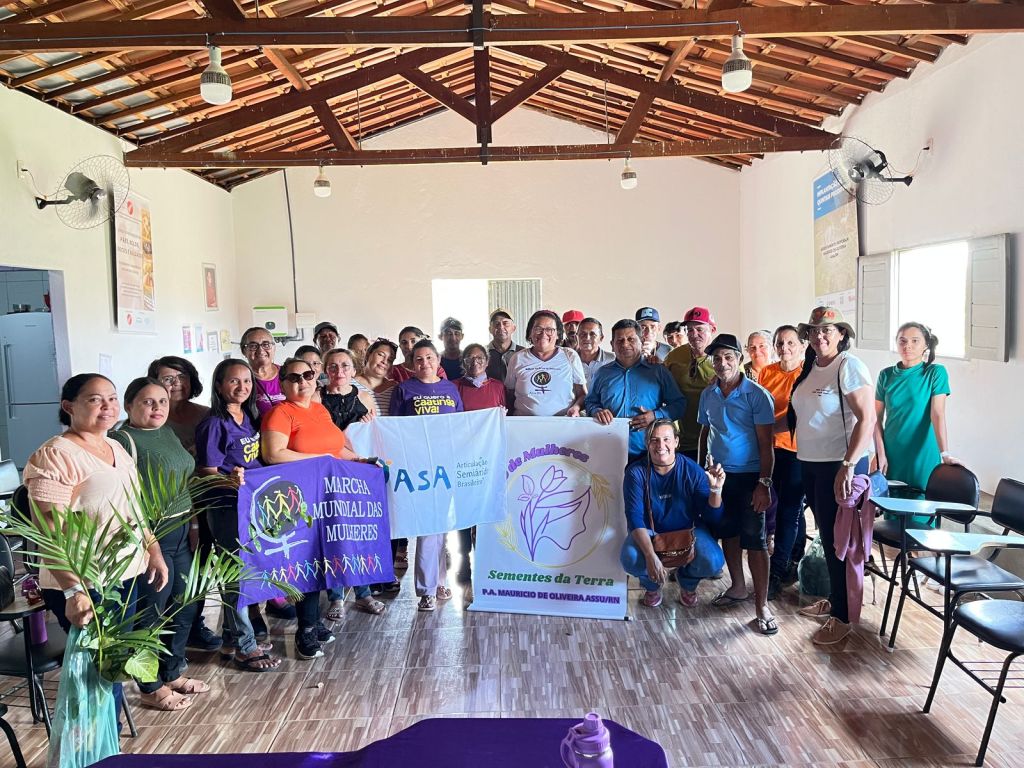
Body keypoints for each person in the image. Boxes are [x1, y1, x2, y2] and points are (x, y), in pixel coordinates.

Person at [26, 374, 169, 720]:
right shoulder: (55, 455)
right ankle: (96, 743)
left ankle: (109, 741)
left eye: (112, 398)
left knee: (113, 668)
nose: (107, 406)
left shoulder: (116, 448)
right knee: (96, 674)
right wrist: (73, 590)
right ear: (68, 406)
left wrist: (153, 550)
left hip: (124, 574)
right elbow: (48, 532)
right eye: (94, 399)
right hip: (86, 582)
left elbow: (133, 507)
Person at [110, 377, 208, 709]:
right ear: (129, 405)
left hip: (179, 529)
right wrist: (149, 544)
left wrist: (193, 523)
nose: (157, 407)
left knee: (185, 604)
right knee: (151, 611)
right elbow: (123, 497)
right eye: (148, 402)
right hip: (150, 536)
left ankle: (172, 671)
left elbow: (183, 481)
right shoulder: (122, 440)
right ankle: (149, 685)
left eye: (162, 401)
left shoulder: (166, 433)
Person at [261, 358, 367, 658]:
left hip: (328, 496)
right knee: (306, 562)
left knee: (323, 559)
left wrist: (358, 460)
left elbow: (336, 448)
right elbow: (273, 454)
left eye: (307, 375)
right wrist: (320, 461)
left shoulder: (319, 410)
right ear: (282, 383)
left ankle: (315, 622)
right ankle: (305, 631)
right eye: (294, 377)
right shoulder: (280, 412)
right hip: (300, 498)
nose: (302, 382)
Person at [788, 306, 875, 646]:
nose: (819, 335)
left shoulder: (848, 366)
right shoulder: (812, 366)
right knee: (828, 538)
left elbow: (867, 419)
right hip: (812, 463)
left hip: (839, 466)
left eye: (827, 330)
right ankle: (837, 600)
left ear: (841, 334)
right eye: (813, 330)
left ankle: (844, 616)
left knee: (842, 542)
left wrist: (849, 464)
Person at [194, 359, 282, 672]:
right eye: (233, 381)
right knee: (237, 575)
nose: (242, 387)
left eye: (246, 381)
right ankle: (246, 647)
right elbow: (206, 471)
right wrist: (228, 481)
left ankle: (233, 638)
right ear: (219, 385)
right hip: (226, 508)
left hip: (251, 507)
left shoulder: (250, 417)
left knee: (249, 571)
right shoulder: (214, 424)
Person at [696, 334, 777, 636]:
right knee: (728, 532)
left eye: (728, 357)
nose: (722, 363)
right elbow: (705, 433)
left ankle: (762, 606)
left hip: (750, 476)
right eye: (717, 358)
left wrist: (763, 484)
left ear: (740, 360)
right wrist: (703, 469)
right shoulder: (708, 394)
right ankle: (738, 587)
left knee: (755, 540)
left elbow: (767, 444)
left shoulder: (757, 395)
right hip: (719, 475)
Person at [147, 356, 220, 650]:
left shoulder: (206, 415)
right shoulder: (151, 420)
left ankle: (193, 626)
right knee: (173, 573)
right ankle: (162, 636)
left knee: (200, 569)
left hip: (207, 501)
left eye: (182, 377)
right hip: (170, 509)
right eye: (168, 378)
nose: (176, 384)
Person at [389, 340, 465, 611]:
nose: (424, 363)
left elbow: (460, 424)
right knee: (427, 527)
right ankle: (426, 589)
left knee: (440, 528)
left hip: (445, 465)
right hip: (418, 468)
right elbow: (394, 429)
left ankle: (439, 581)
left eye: (429, 358)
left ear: (438, 360)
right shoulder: (404, 389)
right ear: (412, 363)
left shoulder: (450, 389)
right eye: (418, 359)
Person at [621, 419, 726, 608]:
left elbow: (713, 518)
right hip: (650, 531)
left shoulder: (692, 470)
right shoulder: (635, 472)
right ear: (647, 444)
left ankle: (687, 581)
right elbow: (634, 518)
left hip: (689, 529)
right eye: (654, 440)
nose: (660, 445)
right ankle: (652, 585)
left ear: (676, 442)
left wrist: (716, 490)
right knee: (630, 557)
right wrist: (650, 556)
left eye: (666, 439)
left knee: (714, 560)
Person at [319, 348, 384, 621]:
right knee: (334, 534)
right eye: (333, 366)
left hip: (358, 472)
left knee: (359, 533)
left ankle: (364, 592)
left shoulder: (365, 397)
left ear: (354, 370)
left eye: (345, 366)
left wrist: (369, 423)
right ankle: (336, 596)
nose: (339, 371)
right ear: (325, 370)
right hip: (328, 472)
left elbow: (377, 435)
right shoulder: (316, 398)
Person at [874, 323, 958, 519]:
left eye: (914, 341)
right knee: (892, 515)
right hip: (892, 454)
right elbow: (875, 418)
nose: (907, 346)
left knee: (920, 515)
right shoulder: (886, 375)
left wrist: (945, 454)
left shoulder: (935, 373)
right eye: (902, 341)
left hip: (922, 453)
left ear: (926, 345)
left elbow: (937, 414)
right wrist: (880, 453)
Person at [586, 319, 686, 462]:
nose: (625, 344)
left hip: (648, 454)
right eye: (620, 340)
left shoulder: (658, 371)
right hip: (608, 452)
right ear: (612, 345)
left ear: (641, 341)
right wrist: (597, 411)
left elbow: (679, 405)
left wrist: (656, 416)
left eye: (631, 339)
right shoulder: (602, 373)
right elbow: (590, 402)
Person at [758, 325, 809, 599]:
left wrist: (765, 428)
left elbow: (797, 416)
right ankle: (794, 559)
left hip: (797, 451)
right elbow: (760, 408)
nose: (784, 348)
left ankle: (776, 572)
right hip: (771, 450)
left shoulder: (807, 373)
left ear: (802, 346)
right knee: (787, 509)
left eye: (791, 343)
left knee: (788, 510)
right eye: (780, 343)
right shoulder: (767, 372)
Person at [452, 343, 506, 585]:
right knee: (464, 512)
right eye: (469, 358)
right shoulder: (454, 386)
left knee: (486, 508)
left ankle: (486, 558)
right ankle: (464, 558)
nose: (475, 362)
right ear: (463, 362)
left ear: (487, 361)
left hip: (489, 458)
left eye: (479, 358)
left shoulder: (497, 387)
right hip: (462, 459)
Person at [504, 310, 586, 417]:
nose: (543, 334)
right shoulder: (517, 358)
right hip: (524, 423)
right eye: (538, 329)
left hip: (563, 423)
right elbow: (509, 395)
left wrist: (576, 408)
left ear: (558, 334)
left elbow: (582, 394)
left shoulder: (570, 356)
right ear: (530, 333)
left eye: (549, 330)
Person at [665, 306, 717, 460]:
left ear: (712, 329)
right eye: (689, 330)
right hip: (684, 441)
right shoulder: (674, 356)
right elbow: (661, 387)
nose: (694, 334)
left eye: (700, 329)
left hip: (717, 442)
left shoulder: (725, 358)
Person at [241, 326, 283, 417]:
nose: (260, 350)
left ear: (274, 348)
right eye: (253, 346)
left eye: (266, 344)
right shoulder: (240, 380)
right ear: (244, 351)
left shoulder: (288, 374)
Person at [485, 308, 524, 383]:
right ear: (490, 329)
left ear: (513, 328)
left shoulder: (523, 354)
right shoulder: (482, 354)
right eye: (496, 324)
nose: (501, 327)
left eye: (505, 323)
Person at [576, 317, 614, 390]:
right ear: (576, 337)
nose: (587, 338)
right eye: (583, 334)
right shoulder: (569, 360)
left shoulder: (613, 360)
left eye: (592, 334)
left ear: (601, 338)